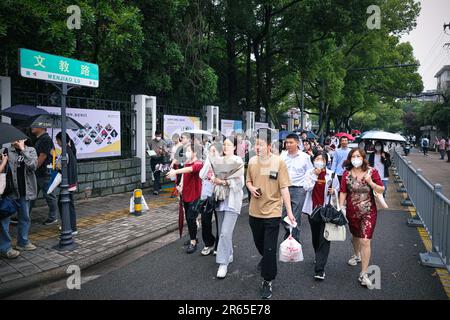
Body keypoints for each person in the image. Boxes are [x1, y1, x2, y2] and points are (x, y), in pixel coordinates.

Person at [246, 128, 296, 299]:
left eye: (260, 144)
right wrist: (251, 188)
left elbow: (284, 187)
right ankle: (267, 258)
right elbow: (248, 180)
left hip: (273, 211)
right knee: (260, 244)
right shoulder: (252, 161)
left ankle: (268, 280)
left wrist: (289, 212)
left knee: (269, 248)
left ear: (269, 145)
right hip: (254, 211)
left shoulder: (279, 162)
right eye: (255, 144)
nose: (257, 147)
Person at [339, 148, 384, 289]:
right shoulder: (346, 174)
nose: (356, 158)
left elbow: (381, 189)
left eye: (358, 156)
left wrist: (370, 182)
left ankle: (364, 273)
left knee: (365, 240)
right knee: (356, 236)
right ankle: (356, 254)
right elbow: (343, 191)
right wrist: (340, 207)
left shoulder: (372, 172)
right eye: (353, 156)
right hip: (352, 212)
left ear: (363, 158)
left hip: (369, 212)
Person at [303, 151, 340, 280]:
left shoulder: (331, 175)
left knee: (324, 238)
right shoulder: (309, 173)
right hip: (312, 210)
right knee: (315, 237)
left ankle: (320, 269)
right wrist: (314, 175)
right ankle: (318, 256)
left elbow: (337, 189)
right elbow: (306, 187)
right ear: (314, 161)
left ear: (326, 162)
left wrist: (333, 190)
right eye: (317, 159)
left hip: (325, 211)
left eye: (322, 159)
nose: (319, 161)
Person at [211, 138, 244, 278]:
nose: (225, 147)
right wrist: (213, 177)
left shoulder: (238, 161)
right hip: (220, 200)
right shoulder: (218, 160)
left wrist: (224, 181)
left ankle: (223, 263)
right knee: (224, 232)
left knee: (224, 232)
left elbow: (240, 183)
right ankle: (229, 253)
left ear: (235, 147)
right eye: (224, 144)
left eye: (228, 145)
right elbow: (208, 174)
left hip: (232, 201)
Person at [0, 139, 38, 257]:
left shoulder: (30, 150)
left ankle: (23, 242)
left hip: (25, 190)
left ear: (24, 139)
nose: (15, 141)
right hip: (9, 192)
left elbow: (33, 166)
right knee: (4, 220)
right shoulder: (4, 151)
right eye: (13, 139)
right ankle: (5, 247)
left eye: (19, 139)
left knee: (25, 217)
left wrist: (23, 150)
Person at [167, 144, 203, 254]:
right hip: (186, 194)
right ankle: (193, 237)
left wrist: (176, 171)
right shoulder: (187, 162)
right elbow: (184, 175)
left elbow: (190, 170)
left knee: (191, 218)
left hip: (195, 196)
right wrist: (180, 187)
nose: (186, 152)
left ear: (195, 152)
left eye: (188, 150)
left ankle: (193, 242)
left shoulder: (199, 164)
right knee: (188, 218)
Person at [280, 133, 313, 243]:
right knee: (282, 215)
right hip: (284, 188)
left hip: (298, 189)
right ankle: (289, 233)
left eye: (291, 142)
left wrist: (305, 187)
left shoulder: (305, 157)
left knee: (295, 216)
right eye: (287, 142)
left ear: (297, 143)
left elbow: (310, 172)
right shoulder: (282, 156)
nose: (288, 145)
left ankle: (294, 242)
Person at [28, 127, 59, 225]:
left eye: (35, 125)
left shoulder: (45, 139)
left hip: (44, 173)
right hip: (39, 173)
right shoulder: (40, 139)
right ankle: (24, 215)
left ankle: (53, 217)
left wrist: (33, 168)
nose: (32, 127)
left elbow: (43, 156)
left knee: (49, 196)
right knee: (31, 195)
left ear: (41, 127)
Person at [198, 143, 222, 256]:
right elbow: (201, 175)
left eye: (214, 151)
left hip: (218, 195)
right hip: (206, 194)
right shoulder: (207, 162)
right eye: (210, 151)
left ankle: (218, 245)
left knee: (219, 222)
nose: (212, 153)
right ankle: (209, 243)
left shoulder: (223, 162)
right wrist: (208, 162)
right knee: (205, 220)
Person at [55, 132, 78, 235]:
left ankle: (71, 228)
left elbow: (59, 167)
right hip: (71, 182)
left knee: (65, 205)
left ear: (61, 140)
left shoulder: (66, 152)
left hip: (67, 183)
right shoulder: (70, 149)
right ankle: (69, 226)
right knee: (66, 204)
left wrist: (55, 159)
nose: (56, 142)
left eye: (57, 140)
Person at [149, 131, 167, 195]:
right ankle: (159, 186)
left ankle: (156, 189)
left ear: (161, 135)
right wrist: (149, 152)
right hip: (153, 159)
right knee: (155, 173)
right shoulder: (151, 142)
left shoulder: (163, 142)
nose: (158, 137)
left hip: (160, 159)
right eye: (157, 135)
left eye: (159, 136)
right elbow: (148, 149)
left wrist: (161, 151)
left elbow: (165, 153)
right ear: (155, 135)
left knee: (157, 173)